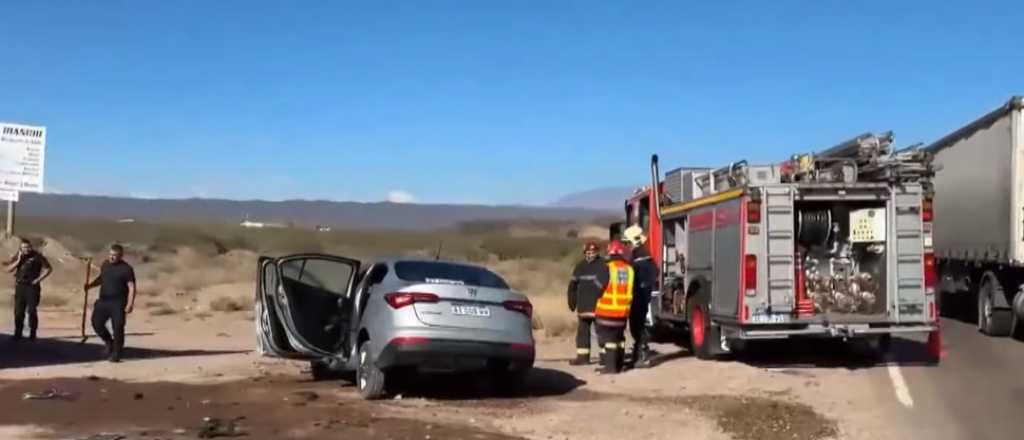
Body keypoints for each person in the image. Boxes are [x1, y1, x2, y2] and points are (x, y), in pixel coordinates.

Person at [84, 244, 137, 362]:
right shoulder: (105, 264)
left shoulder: (126, 269)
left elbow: (131, 286)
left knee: (118, 327)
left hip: (118, 303)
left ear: (121, 256)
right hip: (103, 300)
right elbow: (101, 278)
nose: (112, 257)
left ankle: (117, 353)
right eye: (110, 255)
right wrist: (90, 285)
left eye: (115, 256)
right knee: (96, 323)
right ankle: (109, 342)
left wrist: (130, 304)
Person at [593, 240, 634, 374]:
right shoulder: (629, 270)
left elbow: (598, 289)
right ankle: (618, 365)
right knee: (619, 340)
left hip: (606, 312)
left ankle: (610, 368)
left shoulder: (607, 268)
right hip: (622, 313)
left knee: (609, 341)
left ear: (610, 253)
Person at [5, 238, 52, 341]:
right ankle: (18, 333)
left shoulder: (37, 256)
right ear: (20, 248)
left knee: (31, 310)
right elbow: (8, 269)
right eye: (23, 248)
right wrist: (18, 260)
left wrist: (38, 279)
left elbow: (48, 269)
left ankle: (33, 332)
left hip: (32, 286)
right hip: (20, 286)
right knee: (18, 311)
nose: (25, 249)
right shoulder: (18, 256)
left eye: (27, 247)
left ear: (30, 247)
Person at [566, 242, 606, 366]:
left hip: (599, 306)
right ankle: (582, 358)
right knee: (582, 333)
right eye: (588, 253)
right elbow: (572, 286)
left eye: (593, 252)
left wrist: (597, 295)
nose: (590, 255)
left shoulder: (603, 265)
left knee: (602, 332)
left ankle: (605, 358)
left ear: (597, 252)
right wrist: (571, 301)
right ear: (584, 253)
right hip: (583, 307)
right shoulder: (580, 266)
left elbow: (604, 284)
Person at [623, 225, 657, 369]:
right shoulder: (642, 255)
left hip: (639, 298)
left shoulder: (639, 258)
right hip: (641, 297)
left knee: (637, 327)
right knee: (637, 327)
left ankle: (642, 357)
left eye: (627, 242)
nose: (626, 246)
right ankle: (639, 355)